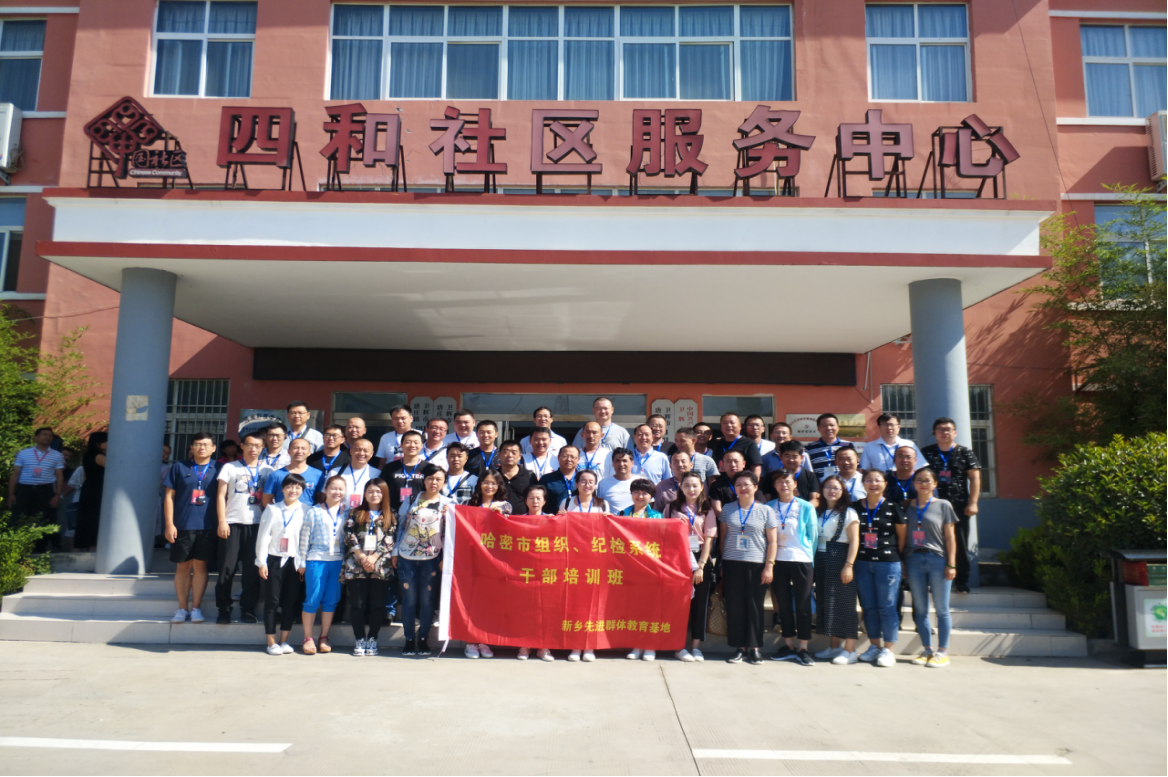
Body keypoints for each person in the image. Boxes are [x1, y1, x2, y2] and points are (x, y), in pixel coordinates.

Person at [718, 471, 778, 665]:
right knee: (735, 606)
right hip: (732, 563)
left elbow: (773, 541)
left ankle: (755, 648)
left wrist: (769, 566)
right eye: (738, 485)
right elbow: (723, 539)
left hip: (757, 564)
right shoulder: (727, 509)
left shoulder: (766, 511)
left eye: (746, 484)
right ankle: (739, 647)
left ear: (755, 487)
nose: (742, 488)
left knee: (755, 607)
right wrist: (722, 563)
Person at [393, 464, 453, 657]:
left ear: (444, 482)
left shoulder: (449, 503)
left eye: (438, 479)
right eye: (430, 478)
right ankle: (410, 639)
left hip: (432, 557)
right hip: (406, 556)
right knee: (409, 599)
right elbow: (400, 526)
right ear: (424, 480)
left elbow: (452, 533)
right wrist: (395, 551)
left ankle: (424, 638)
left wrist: (448, 517)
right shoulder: (411, 499)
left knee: (427, 600)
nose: (434, 482)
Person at [904, 467, 960, 668]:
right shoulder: (906, 505)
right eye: (919, 480)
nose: (923, 483)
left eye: (927, 480)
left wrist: (951, 564)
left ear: (935, 484)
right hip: (913, 559)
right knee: (920, 608)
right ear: (913, 483)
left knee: (942, 608)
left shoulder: (944, 505)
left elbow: (950, 537)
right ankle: (927, 649)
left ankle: (942, 652)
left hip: (937, 559)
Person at [163, 432, 220, 625]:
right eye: (197, 444)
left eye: (206, 444)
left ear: (213, 448)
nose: (202, 448)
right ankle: (182, 608)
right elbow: (169, 497)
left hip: (208, 525)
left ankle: (196, 608)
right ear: (192, 447)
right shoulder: (179, 467)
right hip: (183, 525)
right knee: (183, 566)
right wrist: (169, 524)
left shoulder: (220, 468)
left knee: (201, 566)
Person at [920, 417, 982, 595]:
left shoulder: (965, 452)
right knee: (929, 541)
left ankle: (961, 581)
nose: (945, 432)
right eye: (940, 429)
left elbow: (975, 478)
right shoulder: (926, 452)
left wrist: (973, 502)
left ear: (955, 433)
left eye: (948, 429)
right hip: (931, 505)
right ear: (934, 433)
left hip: (959, 505)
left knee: (959, 542)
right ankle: (928, 579)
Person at [854, 469, 907, 668]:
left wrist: (897, 557)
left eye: (877, 480)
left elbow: (902, 536)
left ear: (885, 484)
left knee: (887, 607)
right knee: (868, 607)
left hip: (888, 562)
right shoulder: (854, 507)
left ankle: (888, 649)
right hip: (862, 562)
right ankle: (874, 646)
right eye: (868, 480)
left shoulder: (893, 507)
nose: (873, 484)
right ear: (863, 484)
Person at [213, 432, 268, 624]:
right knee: (226, 569)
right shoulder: (230, 467)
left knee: (252, 571)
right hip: (232, 523)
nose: (253, 449)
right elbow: (220, 495)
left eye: (257, 446)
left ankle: (248, 609)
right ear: (242, 446)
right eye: (249, 445)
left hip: (258, 525)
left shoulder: (268, 470)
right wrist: (222, 521)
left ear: (262, 448)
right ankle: (224, 608)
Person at [766, 471, 819, 667]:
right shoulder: (769, 507)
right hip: (777, 560)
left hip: (801, 559)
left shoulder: (805, 506)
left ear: (795, 484)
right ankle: (788, 644)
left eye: (787, 481)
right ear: (775, 485)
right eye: (779, 482)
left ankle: (803, 647)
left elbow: (813, 535)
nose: (783, 485)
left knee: (803, 604)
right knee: (783, 605)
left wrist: (809, 557)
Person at [663, 472, 716, 662]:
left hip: (700, 557)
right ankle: (678, 646)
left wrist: (701, 566)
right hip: (677, 559)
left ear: (702, 487)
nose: (691, 489)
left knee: (699, 604)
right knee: (679, 604)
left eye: (695, 485)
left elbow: (708, 540)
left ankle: (695, 647)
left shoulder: (707, 509)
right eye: (687, 485)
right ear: (681, 487)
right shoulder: (671, 508)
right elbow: (664, 534)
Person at [343, 479, 397, 657]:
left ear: (384, 494)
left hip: (380, 566)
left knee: (377, 604)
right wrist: (362, 556)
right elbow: (349, 535)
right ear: (365, 494)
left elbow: (391, 538)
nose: (374, 495)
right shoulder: (355, 513)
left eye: (378, 491)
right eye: (371, 491)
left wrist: (373, 557)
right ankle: (359, 639)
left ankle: (373, 638)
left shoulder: (391, 514)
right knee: (357, 605)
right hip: (356, 564)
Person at [255, 473, 307, 656]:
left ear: (302, 490)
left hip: (295, 562)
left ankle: (284, 641)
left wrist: (303, 562)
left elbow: (306, 539)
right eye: (289, 486)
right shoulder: (272, 509)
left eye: (298, 487)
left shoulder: (306, 510)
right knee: (272, 601)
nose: (293, 490)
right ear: (282, 489)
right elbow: (263, 537)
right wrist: (261, 562)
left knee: (290, 602)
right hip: (274, 559)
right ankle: (271, 642)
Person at [812, 476, 861, 665]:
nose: (832, 491)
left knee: (845, 603)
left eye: (836, 488)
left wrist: (848, 565)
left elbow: (854, 540)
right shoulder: (819, 511)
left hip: (840, 557)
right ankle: (834, 647)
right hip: (821, 557)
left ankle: (850, 649)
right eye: (828, 487)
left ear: (843, 492)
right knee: (827, 602)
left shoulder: (849, 512)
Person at [297, 475, 348, 655]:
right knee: (312, 598)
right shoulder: (314, 511)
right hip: (316, 559)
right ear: (325, 490)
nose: (337, 492)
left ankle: (324, 637)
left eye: (341, 489)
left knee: (331, 600)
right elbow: (304, 537)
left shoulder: (348, 512)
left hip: (338, 561)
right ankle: (308, 637)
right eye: (333, 488)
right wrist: (302, 561)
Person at [519, 485, 557, 663]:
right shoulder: (517, 520)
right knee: (524, 610)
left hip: (546, 572)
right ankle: (524, 645)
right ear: (525, 501)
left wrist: (559, 519)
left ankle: (543, 647)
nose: (535, 501)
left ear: (544, 501)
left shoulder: (552, 520)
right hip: (523, 572)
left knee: (545, 611)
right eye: (531, 498)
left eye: (538, 498)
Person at [7, 427, 65, 528]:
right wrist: (11, 494)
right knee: (18, 518)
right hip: (25, 489)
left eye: (50, 435)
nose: (47, 437)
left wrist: (57, 495)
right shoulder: (23, 453)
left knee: (42, 519)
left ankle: (39, 539)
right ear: (35, 438)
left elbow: (59, 475)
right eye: (44, 434)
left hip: (45, 490)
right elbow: (16, 473)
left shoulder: (57, 455)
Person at [262, 437, 322, 509]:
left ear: (309, 452)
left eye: (303, 448)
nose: (299, 451)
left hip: (307, 515)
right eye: (295, 448)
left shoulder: (318, 475)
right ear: (288, 451)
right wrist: (277, 512)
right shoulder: (276, 475)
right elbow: (266, 500)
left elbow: (321, 499)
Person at [73, 432, 108, 552]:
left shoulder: (88, 455)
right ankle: (92, 545)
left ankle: (81, 545)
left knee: (86, 517)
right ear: (98, 443)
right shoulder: (99, 456)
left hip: (89, 487)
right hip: (96, 488)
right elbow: (115, 467)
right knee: (94, 516)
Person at [324, 438, 381, 511]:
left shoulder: (377, 474)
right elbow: (325, 495)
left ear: (372, 454)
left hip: (365, 514)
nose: (361, 453)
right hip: (339, 514)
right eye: (357, 449)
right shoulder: (335, 472)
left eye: (366, 450)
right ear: (351, 451)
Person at [860, 413, 925, 474]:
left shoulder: (909, 445)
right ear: (879, 427)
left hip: (905, 480)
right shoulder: (870, 446)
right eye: (885, 424)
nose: (889, 428)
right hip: (880, 481)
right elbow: (864, 470)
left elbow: (920, 467)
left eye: (892, 425)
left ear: (899, 427)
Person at [382, 430, 426, 515]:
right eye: (408, 442)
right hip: (393, 514)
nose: (412, 445)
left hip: (419, 515)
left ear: (422, 445)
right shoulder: (389, 468)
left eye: (416, 442)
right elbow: (382, 491)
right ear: (401, 445)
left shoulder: (428, 468)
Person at [709, 413, 763, 477]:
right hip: (720, 482)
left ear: (740, 426)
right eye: (725, 423)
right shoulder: (717, 443)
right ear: (721, 427)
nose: (729, 425)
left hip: (741, 482)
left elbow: (756, 468)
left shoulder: (749, 444)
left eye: (732, 423)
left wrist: (754, 482)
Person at [306, 425, 350, 500]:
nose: (330, 438)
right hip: (313, 498)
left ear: (342, 440)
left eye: (335, 436)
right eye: (327, 435)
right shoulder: (312, 458)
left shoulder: (348, 459)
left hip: (337, 499)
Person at [537, 445, 579, 515]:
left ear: (578, 459)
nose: (569, 459)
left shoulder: (583, 479)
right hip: (552, 518)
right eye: (565, 456)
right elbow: (538, 500)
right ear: (558, 457)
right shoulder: (547, 479)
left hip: (577, 519)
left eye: (572, 457)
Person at [806, 414, 847, 481]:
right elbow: (807, 470)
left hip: (843, 485)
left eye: (832, 425)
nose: (828, 428)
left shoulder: (847, 445)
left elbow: (856, 467)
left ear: (838, 427)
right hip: (818, 486)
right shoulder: (809, 448)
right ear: (818, 429)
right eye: (824, 425)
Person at [496, 440, 533, 515]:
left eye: (514, 452)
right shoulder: (493, 476)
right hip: (497, 518)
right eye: (506, 452)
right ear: (499, 455)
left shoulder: (529, 476)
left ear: (520, 456)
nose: (510, 455)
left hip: (521, 519)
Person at [597, 448, 636, 513]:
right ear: (613, 463)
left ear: (632, 463)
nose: (621, 464)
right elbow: (599, 507)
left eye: (625, 461)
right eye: (618, 461)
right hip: (611, 519)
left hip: (636, 519)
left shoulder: (640, 481)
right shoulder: (603, 483)